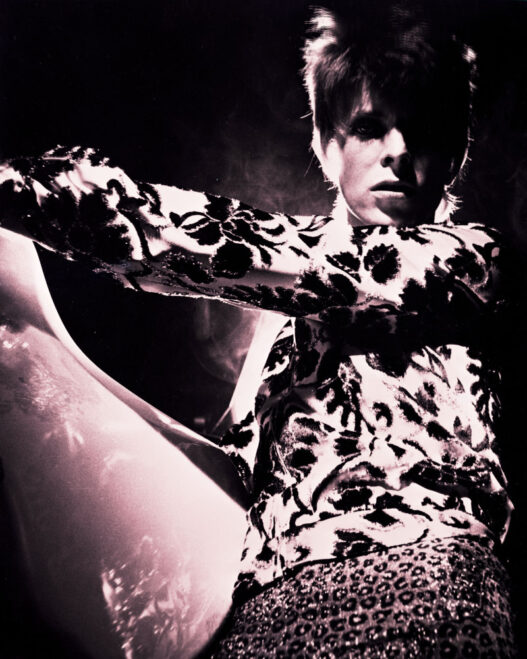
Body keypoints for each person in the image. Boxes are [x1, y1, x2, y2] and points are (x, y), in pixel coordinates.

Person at [0, 1, 517, 656]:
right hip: (265, 615)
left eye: (424, 130)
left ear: (456, 153)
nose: (398, 151)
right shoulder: (281, 322)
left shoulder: (471, 261)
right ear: (326, 144)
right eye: (370, 127)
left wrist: (37, 193)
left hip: (423, 590)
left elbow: (220, 244)